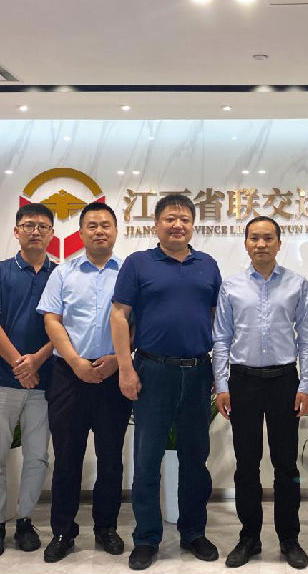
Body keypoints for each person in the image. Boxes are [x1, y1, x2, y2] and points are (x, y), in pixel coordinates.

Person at [111, 194, 222, 570]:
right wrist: (125, 369)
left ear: (193, 225)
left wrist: (218, 371)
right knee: (147, 459)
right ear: (156, 224)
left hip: (198, 372)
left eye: (185, 219)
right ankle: (146, 538)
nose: (178, 225)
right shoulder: (138, 263)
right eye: (170, 218)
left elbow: (216, 319)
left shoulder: (207, 265)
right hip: (152, 371)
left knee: (195, 457)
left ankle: (193, 532)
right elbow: (119, 316)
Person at [212, 216, 308, 570]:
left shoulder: (297, 284)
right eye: (254, 238)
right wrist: (222, 385)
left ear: (279, 243)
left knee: (286, 464)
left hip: (284, 381)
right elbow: (221, 339)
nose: (261, 244)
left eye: (268, 238)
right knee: (246, 464)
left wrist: (305, 385)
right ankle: (249, 538)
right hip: (243, 382)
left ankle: (289, 538)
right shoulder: (231, 286)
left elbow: (307, 339)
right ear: (246, 243)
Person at [37, 202, 132, 563]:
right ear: (80, 233)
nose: (99, 231)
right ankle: (63, 530)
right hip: (69, 375)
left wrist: (119, 360)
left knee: (110, 458)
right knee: (67, 457)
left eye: (105, 225)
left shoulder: (128, 272)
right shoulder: (63, 272)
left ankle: (106, 528)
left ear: (116, 231)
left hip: (113, 375)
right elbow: (52, 320)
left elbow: (138, 322)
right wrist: (76, 362)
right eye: (91, 225)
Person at [0, 203, 57, 558]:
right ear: (16, 231)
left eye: (42, 226)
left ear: (52, 233)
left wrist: (37, 360)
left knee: (37, 457)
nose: (35, 231)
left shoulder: (61, 275)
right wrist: (20, 364)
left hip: (44, 380)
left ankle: (25, 520)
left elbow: (66, 326)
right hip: (0, 379)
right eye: (28, 225)